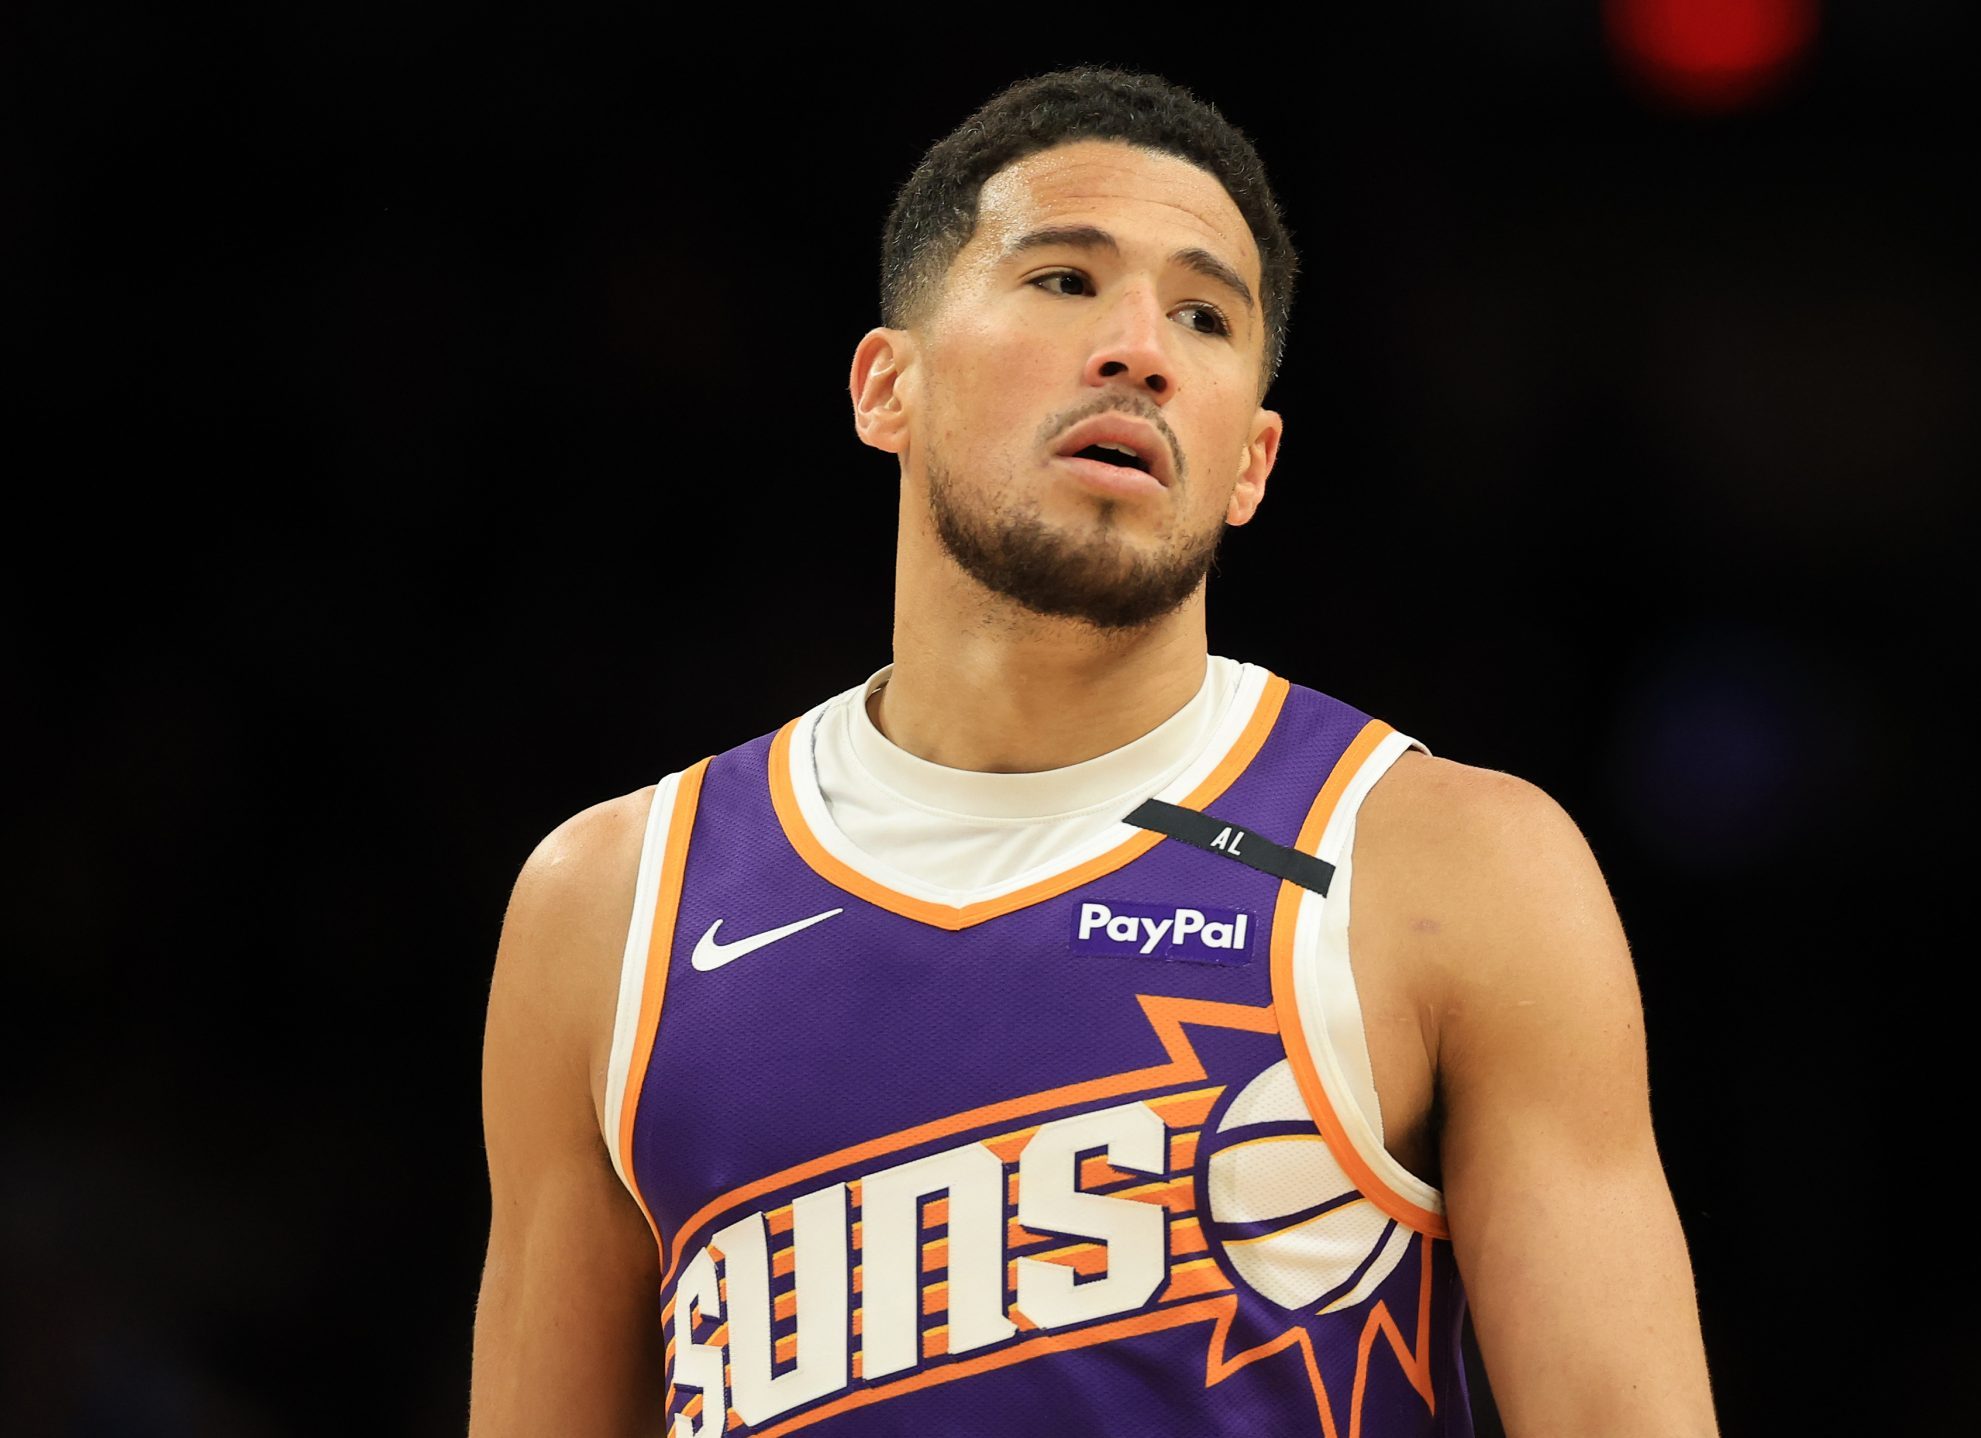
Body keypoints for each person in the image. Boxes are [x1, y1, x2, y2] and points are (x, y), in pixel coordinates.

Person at [469, 66, 1721, 1438]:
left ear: (1251, 458)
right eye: (1064, 280)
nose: (1141, 346)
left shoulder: (1448, 866)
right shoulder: (608, 907)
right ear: (887, 384)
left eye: (1203, 314)